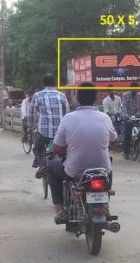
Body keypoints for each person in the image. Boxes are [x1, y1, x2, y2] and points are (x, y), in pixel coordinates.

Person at [46, 85, 118, 223]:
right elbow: (114, 140)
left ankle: (60, 209)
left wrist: (67, 148)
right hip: (102, 169)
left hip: (74, 171)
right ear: (95, 98)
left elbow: (56, 148)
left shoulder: (68, 118)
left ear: (77, 98)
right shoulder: (105, 117)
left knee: (51, 166)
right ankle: (105, 204)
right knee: (108, 166)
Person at [30, 73, 69, 178]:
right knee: (66, 150)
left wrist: (31, 127)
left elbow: (32, 115)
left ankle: (42, 165)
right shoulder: (62, 95)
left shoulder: (37, 96)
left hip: (44, 133)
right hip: (60, 132)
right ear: (55, 83)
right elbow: (67, 114)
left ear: (43, 84)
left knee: (36, 149)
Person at [121, 81, 140, 156]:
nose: (136, 91)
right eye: (135, 89)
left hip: (137, 115)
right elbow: (124, 107)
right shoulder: (125, 95)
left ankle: (139, 145)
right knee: (128, 133)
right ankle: (126, 152)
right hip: (128, 116)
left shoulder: (139, 95)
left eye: (137, 89)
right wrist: (126, 115)